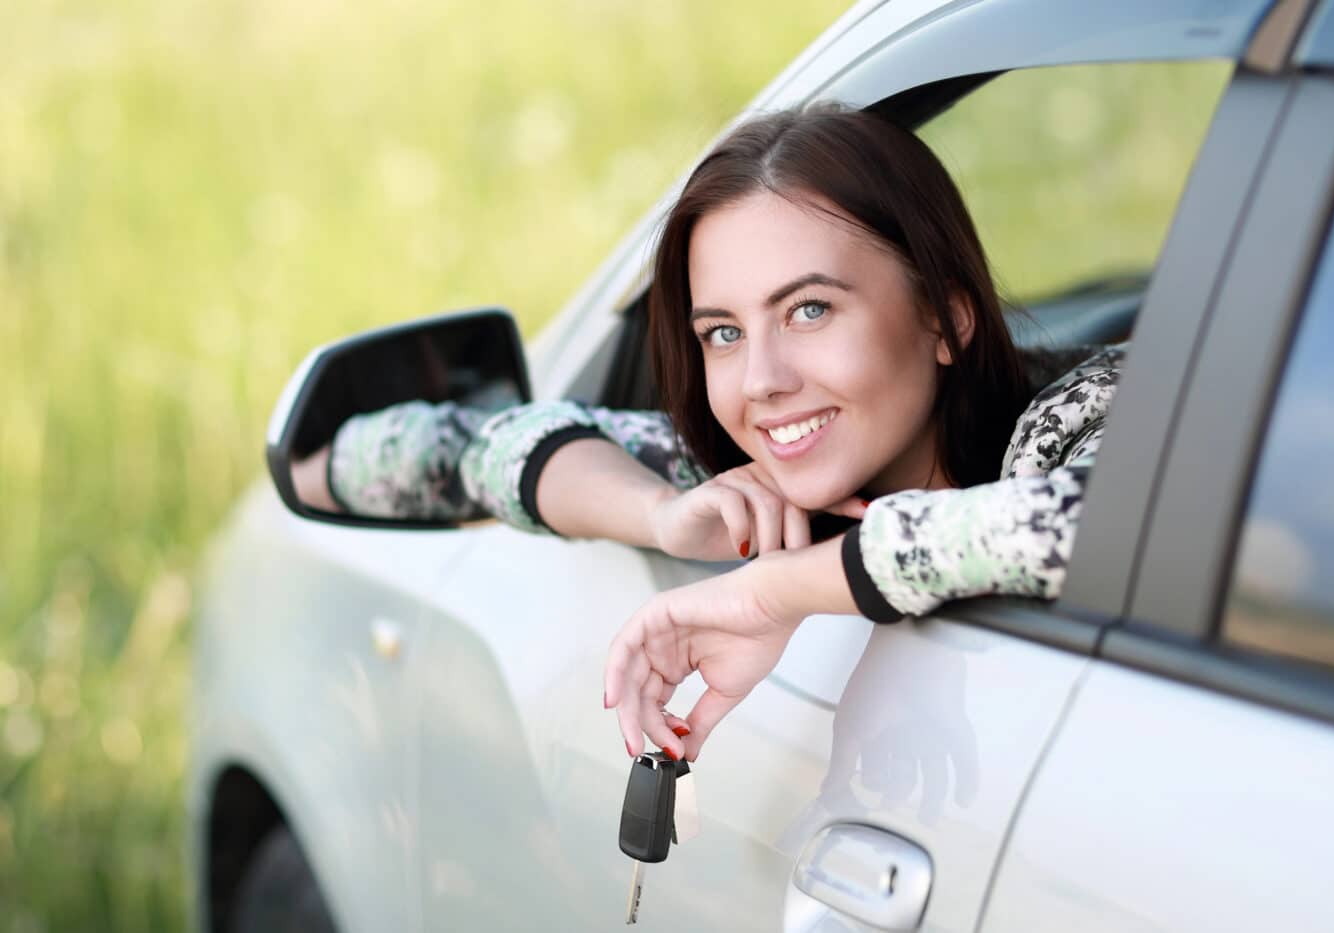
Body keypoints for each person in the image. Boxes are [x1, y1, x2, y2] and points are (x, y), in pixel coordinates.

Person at [296, 105, 1124, 766]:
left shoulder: (1093, 410)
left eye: (809, 309)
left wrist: (772, 592)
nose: (761, 380)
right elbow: (464, 452)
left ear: (946, 315)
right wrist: (662, 514)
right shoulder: (767, 470)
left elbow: (1076, 524)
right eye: (722, 332)